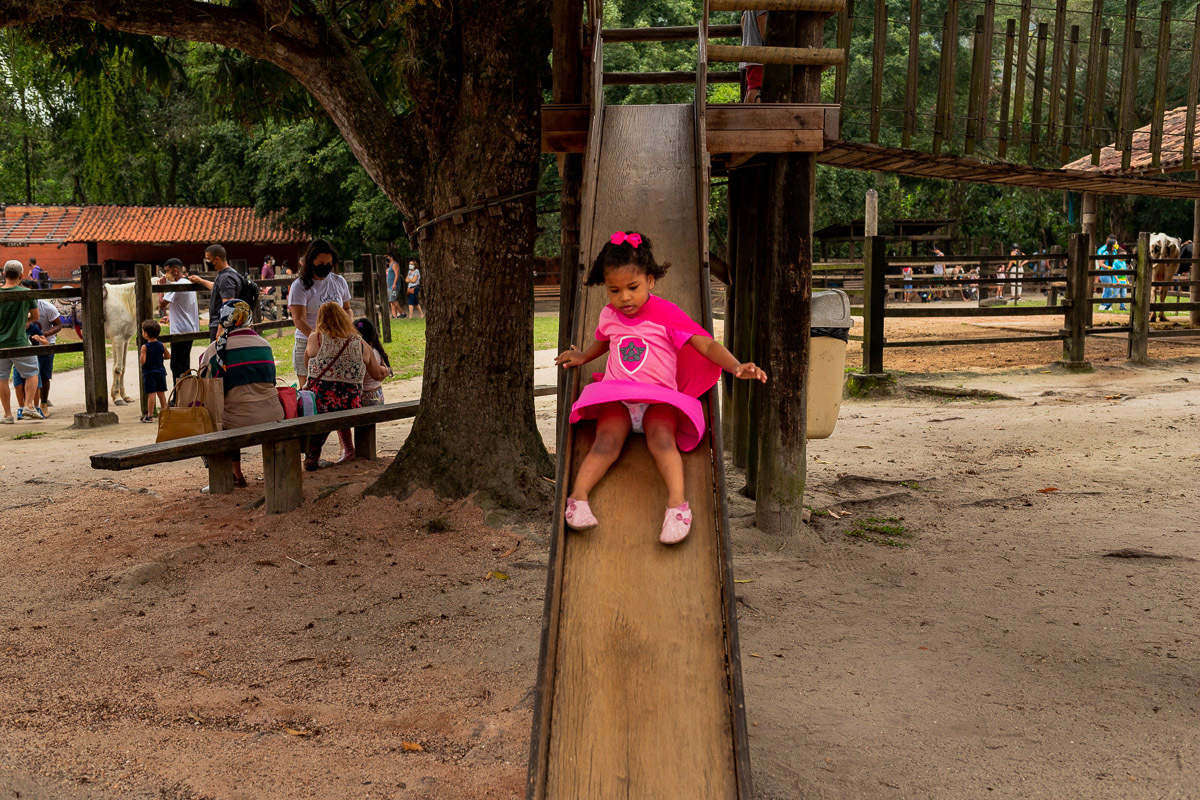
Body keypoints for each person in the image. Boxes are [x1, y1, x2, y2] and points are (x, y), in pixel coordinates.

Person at [554, 231, 767, 545]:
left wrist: (735, 366)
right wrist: (584, 355)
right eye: (614, 290)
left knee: (663, 440)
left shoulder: (667, 314)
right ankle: (578, 498)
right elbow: (602, 342)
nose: (624, 297)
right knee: (606, 441)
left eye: (632, 288)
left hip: (658, 401)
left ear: (650, 282)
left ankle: (677, 506)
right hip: (619, 396)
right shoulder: (609, 315)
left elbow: (705, 345)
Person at [197, 299, 286, 488]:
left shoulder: (216, 349)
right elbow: (270, 382)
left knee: (213, 415)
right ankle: (239, 471)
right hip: (273, 415)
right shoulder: (265, 345)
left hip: (237, 421)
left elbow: (205, 390)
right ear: (249, 318)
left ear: (223, 319)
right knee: (236, 404)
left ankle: (229, 474)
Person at [302, 302, 389, 468]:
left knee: (317, 409)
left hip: (321, 403)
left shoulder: (316, 338)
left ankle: (311, 456)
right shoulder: (360, 343)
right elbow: (377, 374)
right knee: (337, 406)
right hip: (351, 404)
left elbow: (308, 367)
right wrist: (386, 370)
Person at [288, 239, 352, 383]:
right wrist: (318, 340)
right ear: (311, 262)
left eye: (329, 264)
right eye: (321, 264)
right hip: (307, 343)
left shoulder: (339, 281)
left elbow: (347, 308)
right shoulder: (299, 286)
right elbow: (299, 320)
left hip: (337, 342)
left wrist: (347, 326)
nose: (325, 268)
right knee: (308, 392)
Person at [0, 260, 42, 424]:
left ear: (4, 274)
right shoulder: (26, 293)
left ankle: (7, 415)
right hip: (19, 341)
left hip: (0, 343)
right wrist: (23, 320)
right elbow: (36, 317)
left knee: (2, 378)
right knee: (32, 372)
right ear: (21, 275)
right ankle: (28, 405)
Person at [183, 244, 243, 340]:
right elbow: (218, 288)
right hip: (224, 324)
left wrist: (221, 327)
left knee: (218, 354)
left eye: (208, 258)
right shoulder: (230, 273)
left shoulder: (225, 277)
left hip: (220, 325)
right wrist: (201, 281)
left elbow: (228, 304)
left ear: (217, 259)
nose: (207, 262)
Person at [159, 258, 200, 386]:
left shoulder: (177, 285)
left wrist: (161, 287)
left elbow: (161, 304)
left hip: (180, 331)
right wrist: (171, 317)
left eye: (167, 271)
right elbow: (184, 307)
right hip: (189, 327)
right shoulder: (186, 283)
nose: (166, 275)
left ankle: (178, 397)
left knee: (176, 365)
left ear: (175, 271)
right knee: (184, 364)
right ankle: (187, 395)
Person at [355, 317, 393, 406]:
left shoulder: (355, 353)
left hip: (360, 396)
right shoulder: (377, 351)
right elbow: (382, 374)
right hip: (376, 394)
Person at [138, 319, 170, 423]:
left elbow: (142, 361)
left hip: (149, 373)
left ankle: (150, 415)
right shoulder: (161, 345)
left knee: (151, 394)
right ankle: (165, 413)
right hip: (160, 372)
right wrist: (160, 358)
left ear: (146, 334)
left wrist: (142, 358)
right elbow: (168, 356)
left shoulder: (145, 347)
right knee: (161, 393)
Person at [739, 10, 767, 103]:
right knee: (757, 87)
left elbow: (743, 19)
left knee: (751, 86)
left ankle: (745, 114)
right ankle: (754, 115)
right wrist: (767, 41)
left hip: (749, 47)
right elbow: (761, 18)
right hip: (759, 50)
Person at [1097, 235, 1119, 312]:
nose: (1117, 245)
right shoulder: (1105, 252)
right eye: (1116, 243)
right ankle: (1104, 305)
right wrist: (1108, 267)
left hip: (1111, 273)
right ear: (1112, 245)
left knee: (1108, 289)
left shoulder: (1115, 252)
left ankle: (1105, 305)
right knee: (1109, 288)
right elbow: (1100, 263)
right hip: (1104, 272)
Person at [386, 255, 404, 319]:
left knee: (393, 299)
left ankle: (402, 313)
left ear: (391, 257)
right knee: (391, 301)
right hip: (389, 286)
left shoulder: (395, 264)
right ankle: (394, 315)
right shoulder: (390, 266)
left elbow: (397, 274)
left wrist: (394, 284)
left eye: (387, 257)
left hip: (393, 286)